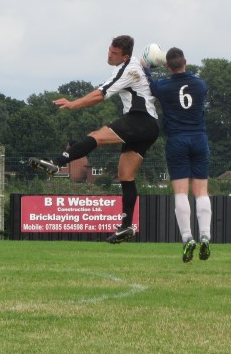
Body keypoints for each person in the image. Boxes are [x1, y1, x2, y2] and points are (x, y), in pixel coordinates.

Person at [28, 35, 159, 244]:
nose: (109, 55)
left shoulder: (127, 70)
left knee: (96, 137)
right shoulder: (132, 64)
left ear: (125, 56)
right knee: (125, 175)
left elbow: (100, 95)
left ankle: (56, 163)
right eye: (109, 50)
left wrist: (72, 104)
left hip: (140, 120)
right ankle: (126, 227)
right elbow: (148, 60)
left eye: (114, 53)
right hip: (149, 126)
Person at [143, 47, 212, 263]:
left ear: (166, 66)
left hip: (177, 140)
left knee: (181, 193)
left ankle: (187, 238)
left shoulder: (163, 86)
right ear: (185, 62)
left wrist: (146, 67)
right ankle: (205, 236)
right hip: (199, 139)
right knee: (201, 192)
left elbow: (149, 84)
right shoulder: (200, 84)